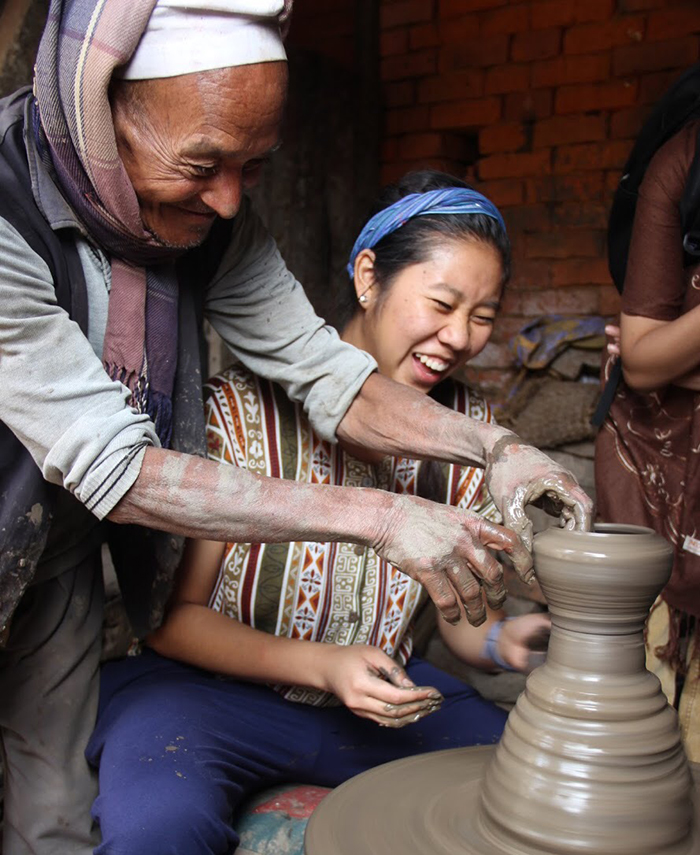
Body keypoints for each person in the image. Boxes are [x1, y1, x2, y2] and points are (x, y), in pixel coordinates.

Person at [0, 1, 590, 853]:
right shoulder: (9, 209)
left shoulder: (209, 223)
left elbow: (326, 374)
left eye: (255, 165)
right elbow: (118, 467)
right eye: (204, 162)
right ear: (105, 107)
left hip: (52, 544)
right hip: (63, 523)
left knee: (50, 801)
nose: (233, 198)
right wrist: (383, 520)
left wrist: (498, 448)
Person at [87, 170, 551, 855]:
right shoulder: (243, 411)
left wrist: (499, 643)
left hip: (380, 705)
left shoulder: (470, 433)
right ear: (369, 276)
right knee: (160, 828)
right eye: (442, 303)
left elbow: (459, 622)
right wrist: (326, 664)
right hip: (210, 699)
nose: (459, 336)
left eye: (482, 315)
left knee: (534, 788)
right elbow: (172, 623)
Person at [595, 120, 700, 761]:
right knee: (636, 732)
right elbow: (641, 360)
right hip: (657, 450)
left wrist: (677, 351)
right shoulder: (685, 159)